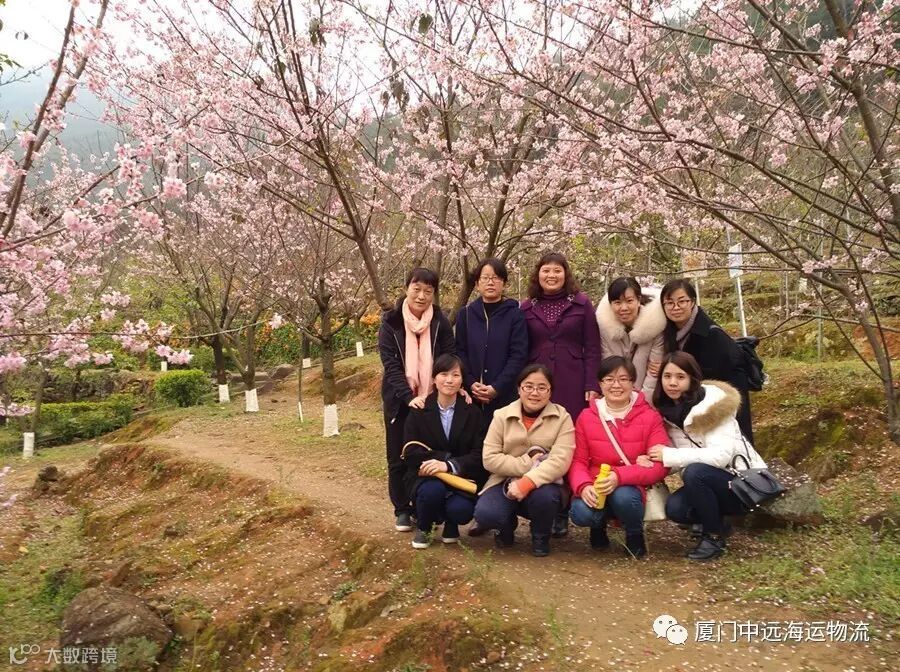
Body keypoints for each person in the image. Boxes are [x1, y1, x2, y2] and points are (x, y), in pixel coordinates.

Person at [647, 352, 767, 561]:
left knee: (695, 472)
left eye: (680, 377)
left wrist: (669, 455)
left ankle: (713, 537)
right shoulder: (670, 411)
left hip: (744, 484)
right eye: (667, 376)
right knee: (676, 509)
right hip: (711, 483)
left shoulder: (713, 406)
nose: (672, 383)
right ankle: (719, 521)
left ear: (692, 379)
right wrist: (651, 462)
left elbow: (720, 457)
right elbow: (675, 458)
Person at [520, 252, 601, 537]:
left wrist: (592, 383)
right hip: (538, 384)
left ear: (565, 274)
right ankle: (542, 504)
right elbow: (522, 348)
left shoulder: (581, 304)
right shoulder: (526, 307)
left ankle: (563, 509)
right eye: (546, 270)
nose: (551, 275)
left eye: (557, 270)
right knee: (541, 439)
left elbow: (593, 346)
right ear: (538, 274)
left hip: (572, 381)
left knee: (568, 441)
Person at [567, 356, 670, 559]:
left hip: (631, 485)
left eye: (623, 379)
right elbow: (578, 460)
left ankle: (634, 533)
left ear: (633, 383)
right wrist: (584, 486)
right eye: (609, 379)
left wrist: (619, 476)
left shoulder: (650, 416)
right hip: (597, 483)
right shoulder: (586, 417)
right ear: (600, 384)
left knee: (624, 496)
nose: (616, 385)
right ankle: (598, 527)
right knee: (580, 512)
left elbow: (660, 464)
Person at [378, 267, 456, 533]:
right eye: (417, 289)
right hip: (399, 399)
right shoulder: (391, 323)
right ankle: (402, 509)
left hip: (433, 397)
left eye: (428, 291)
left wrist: (441, 391)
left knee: (429, 454)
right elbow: (391, 365)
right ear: (407, 289)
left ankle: (427, 508)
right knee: (397, 455)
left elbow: (448, 357)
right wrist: (408, 397)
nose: (422, 296)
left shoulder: (440, 322)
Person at [473, 364, 575, 557]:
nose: (534, 393)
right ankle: (505, 527)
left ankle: (540, 535)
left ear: (550, 391)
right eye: (528, 386)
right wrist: (527, 464)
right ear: (519, 389)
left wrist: (527, 482)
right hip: (503, 480)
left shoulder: (562, 418)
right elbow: (489, 458)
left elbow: (561, 461)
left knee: (546, 499)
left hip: (544, 484)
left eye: (542, 387)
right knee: (486, 514)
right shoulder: (501, 415)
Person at [401, 355, 488, 549]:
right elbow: (410, 450)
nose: (449, 380)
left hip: (461, 476)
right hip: (426, 476)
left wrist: (449, 465)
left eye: (455, 375)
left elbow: (479, 453)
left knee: (461, 510)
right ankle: (425, 527)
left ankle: (451, 523)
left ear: (462, 380)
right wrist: (439, 461)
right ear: (434, 379)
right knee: (432, 491)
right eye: (443, 374)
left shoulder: (473, 413)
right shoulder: (419, 409)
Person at [660, 278, 754, 443]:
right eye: (669, 303)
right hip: (698, 398)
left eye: (682, 301)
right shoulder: (670, 332)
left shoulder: (711, 334)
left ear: (692, 302)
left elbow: (719, 374)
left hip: (723, 399)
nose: (675, 307)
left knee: (733, 443)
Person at [455, 258, 529, 427]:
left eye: (496, 278)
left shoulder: (515, 314)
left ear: (504, 284)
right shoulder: (465, 314)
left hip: (505, 396)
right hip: (471, 397)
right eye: (485, 278)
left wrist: (497, 387)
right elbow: (460, 352)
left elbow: (518, 355)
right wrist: (470, 383)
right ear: (477, 283)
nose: (490, 282)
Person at [595, 277, 666, 397]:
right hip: (614, 395)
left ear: (638, 300)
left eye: (629, 301)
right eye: (617, 302)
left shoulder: (656, 326)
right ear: (611, 304)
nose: (624, 308)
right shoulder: (603, 328)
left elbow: (653, 374)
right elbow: (608, 369)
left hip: (645, 397)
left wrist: (642, 402)